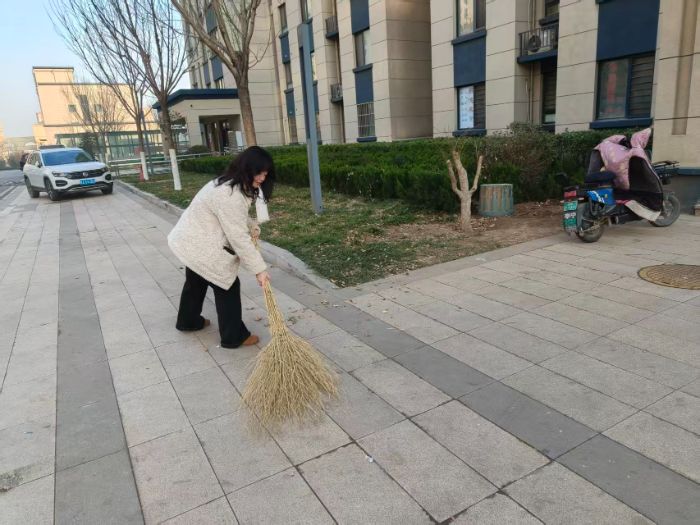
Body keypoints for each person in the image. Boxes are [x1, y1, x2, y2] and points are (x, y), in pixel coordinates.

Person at [168, 146, 274, 348]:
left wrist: (250, 225)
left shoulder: (228, 183)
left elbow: (232, 218)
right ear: (247, 169)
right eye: (259, 173)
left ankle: (188, 321)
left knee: (196, 279)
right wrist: (259, 270)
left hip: (191, 240)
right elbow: (237, 237)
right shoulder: (230, 195)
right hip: (200, 242)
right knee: (227, 285)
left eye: (265, 174)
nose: (262, 178)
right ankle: (234, 336)